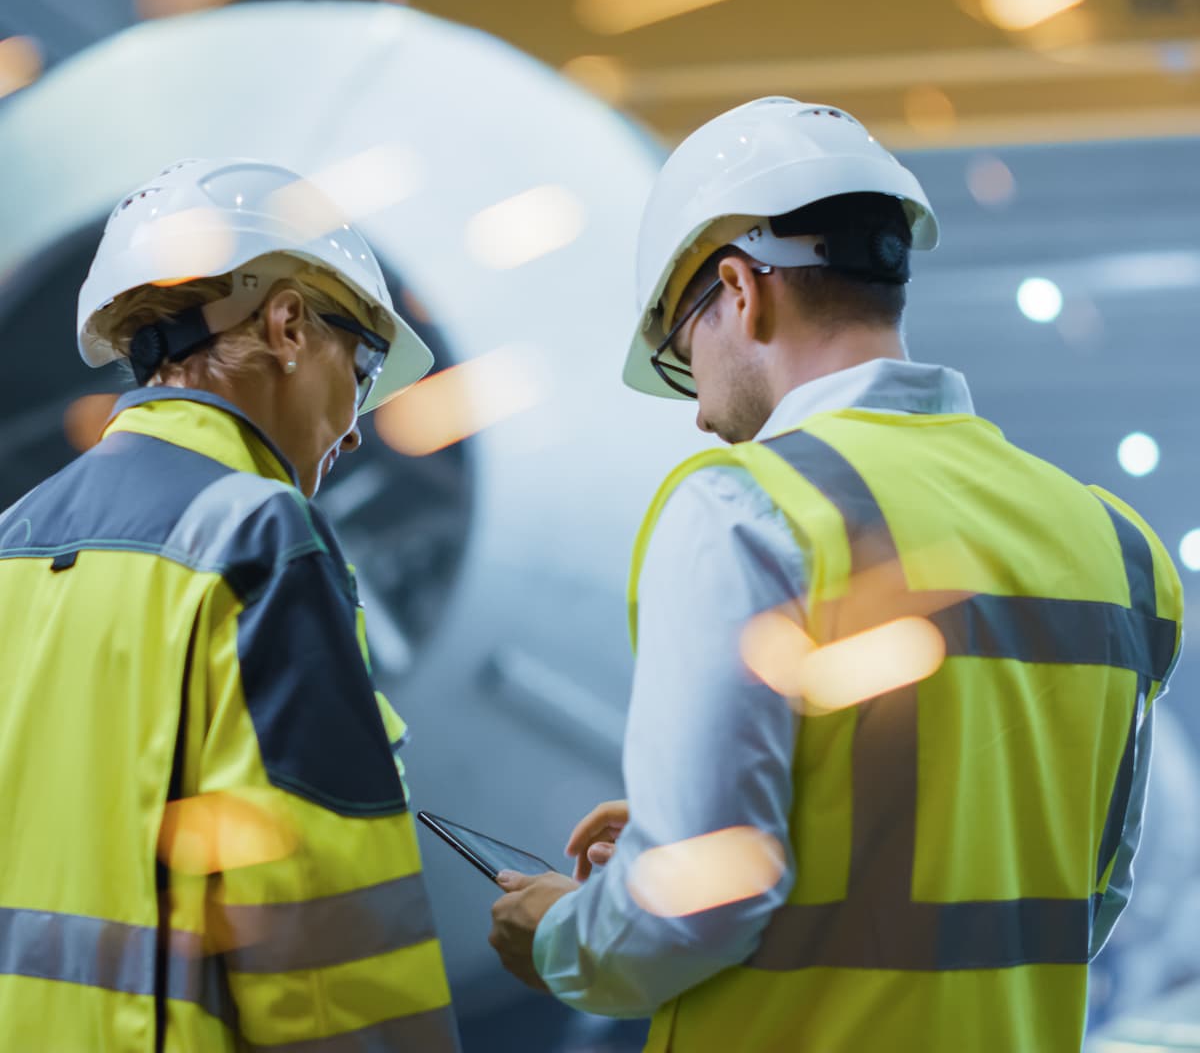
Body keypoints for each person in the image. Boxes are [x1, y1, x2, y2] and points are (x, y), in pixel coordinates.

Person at [488, 98, 1184, 1052]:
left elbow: (699, 907)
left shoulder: (748, 508)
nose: (698, 416)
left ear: (740, 289)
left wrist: (564, 934)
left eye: (685, 362)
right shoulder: (1116, 544)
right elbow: (1074, 891)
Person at [0, 159, 461, 1051]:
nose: (359, 427)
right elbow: (323, 929)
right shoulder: (256, 537)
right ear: (288, 325)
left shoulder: (11, 539)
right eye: (363, 370)